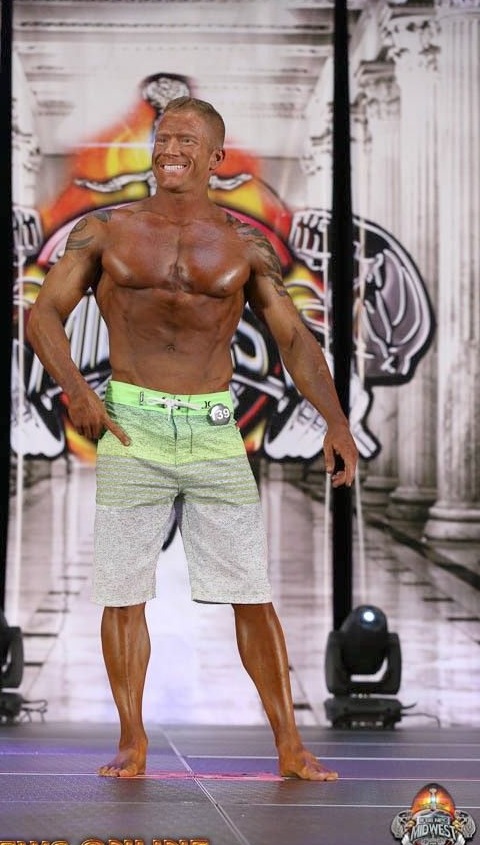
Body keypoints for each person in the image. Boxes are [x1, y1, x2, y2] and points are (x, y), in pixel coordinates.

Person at [27, 97, 358, 781]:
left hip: (213, 427)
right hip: (132, 423)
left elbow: (294, 340)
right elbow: (44, 315)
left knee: (250, 590)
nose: (170, 148)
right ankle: (132, 740)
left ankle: (290, 746)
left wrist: (336, 421)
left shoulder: (245, 246)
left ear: (215, 157)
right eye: (163, 137)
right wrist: (77, 390)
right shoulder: (105, 231)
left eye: (186, 139)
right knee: (123, 590)